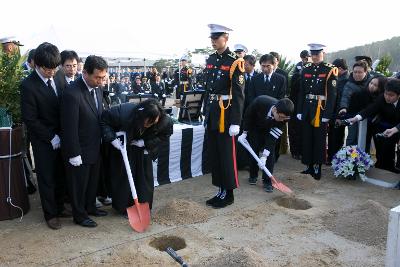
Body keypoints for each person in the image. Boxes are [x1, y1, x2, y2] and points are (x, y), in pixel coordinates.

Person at [20, 42, 68, 230]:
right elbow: (30, 119)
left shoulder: (60, 75)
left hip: (63, 135)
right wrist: (51, 136)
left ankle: (60, 206)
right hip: (43, 139)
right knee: (47, 177)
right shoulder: (28, 86)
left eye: (54, 68)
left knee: (62, 173)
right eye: (48, 69)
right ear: (37, 65)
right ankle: (51, 214)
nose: (52, 73)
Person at [100, 99, 173, 214]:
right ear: (141, 115)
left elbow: (165, 135)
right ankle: (124, 208)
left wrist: (145, 143)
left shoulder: (164, 121)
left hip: (143, 149)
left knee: (143, 178)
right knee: (124, 177)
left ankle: (143, 205)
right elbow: (104, 121)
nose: (148, 125)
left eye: (152, 123)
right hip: (124, 148)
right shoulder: (124, 112)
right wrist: (112, 139)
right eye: (147, 122)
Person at [60, 55, 108, 228]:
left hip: (95, 146)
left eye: (103, 77)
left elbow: (99, 116)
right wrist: (74, 153)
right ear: (85, 72)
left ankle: (90, 207)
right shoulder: (72, 93)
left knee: (92, 183)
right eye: (97, 77)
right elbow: (68, 127)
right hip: (79, 149)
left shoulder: (98, 89)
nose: (101, 81)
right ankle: (79, 215)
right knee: (78, 185)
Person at [203, 24, 245, 208]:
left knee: (227, 155)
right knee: (216, 154)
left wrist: (235, 121)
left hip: (226, 115)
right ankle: (220, 190)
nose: (213, 41)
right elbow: (208, 89)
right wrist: (206, 112)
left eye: (216, 37)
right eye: (212, 37)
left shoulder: (235, 61)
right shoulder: (211, 59)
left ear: (225, 38)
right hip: (213, 113)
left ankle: (229, 194)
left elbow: (239, 94)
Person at [296, 43, 337, 180]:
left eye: (317, 54)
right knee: (307, 137)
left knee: (319, 139)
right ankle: (308, 165)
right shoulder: (306, 68)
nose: (314, 57)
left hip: (321, 108)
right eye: (312, 54)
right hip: (307, 107)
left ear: (323, 53)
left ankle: (317, 167)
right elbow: (302, 91)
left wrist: (328, 114)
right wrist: (300, 109)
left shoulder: (330, 69)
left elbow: (332, 95)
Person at [239, 96, 293, 192]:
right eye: (280, 117)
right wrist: (244, 132)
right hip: (255, 126)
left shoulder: (285, 118)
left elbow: (271, 140)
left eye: (284, 118)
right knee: (253, 149)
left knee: (270, 154)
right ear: (275, 110)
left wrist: (264, 156)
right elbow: (248, 116)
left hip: (271, 128)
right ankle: (253, 175)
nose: (282, 120)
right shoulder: (260, 102)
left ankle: (267, 181)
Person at [347, 78, 400, 173]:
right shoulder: (382, 98)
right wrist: (357, 117)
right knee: (382, 151)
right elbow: (370, 109)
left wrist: (396, 129)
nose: (387, 97)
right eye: (386, 94)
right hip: (383, 127)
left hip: (397, 127)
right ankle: (382, 169)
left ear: (398, 95)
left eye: (391, 95)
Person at [338, 61, 369, 146]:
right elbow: (345, 97)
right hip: (352, 114)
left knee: (365, 138)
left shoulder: (371, 82)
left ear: (365, 72)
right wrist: (343, 108)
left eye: (360, 72)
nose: (357, 74)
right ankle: (350, 157)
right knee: (352, 137)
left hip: (367, 114)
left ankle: (363, 157)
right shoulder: (349, 83)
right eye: (355, 72)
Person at [288, 50, 310, 160]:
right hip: (296, 104)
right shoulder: (298, 69)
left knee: (304, 130)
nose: (306, 60)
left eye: (307, 58)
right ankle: (295, 151)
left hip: (308, 104)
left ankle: (303, 150)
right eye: (304, 58)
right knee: (295, 129)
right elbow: (294, 88)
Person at [327, 58, 349, 163]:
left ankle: (334, 158)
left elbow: (340, 100)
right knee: (333, 136)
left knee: (337, 137)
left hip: (339, 114)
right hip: (334, 113)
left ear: (339, 68)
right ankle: (332, 157)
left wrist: (338, 117)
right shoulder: (339, 78)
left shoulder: (345, 80)